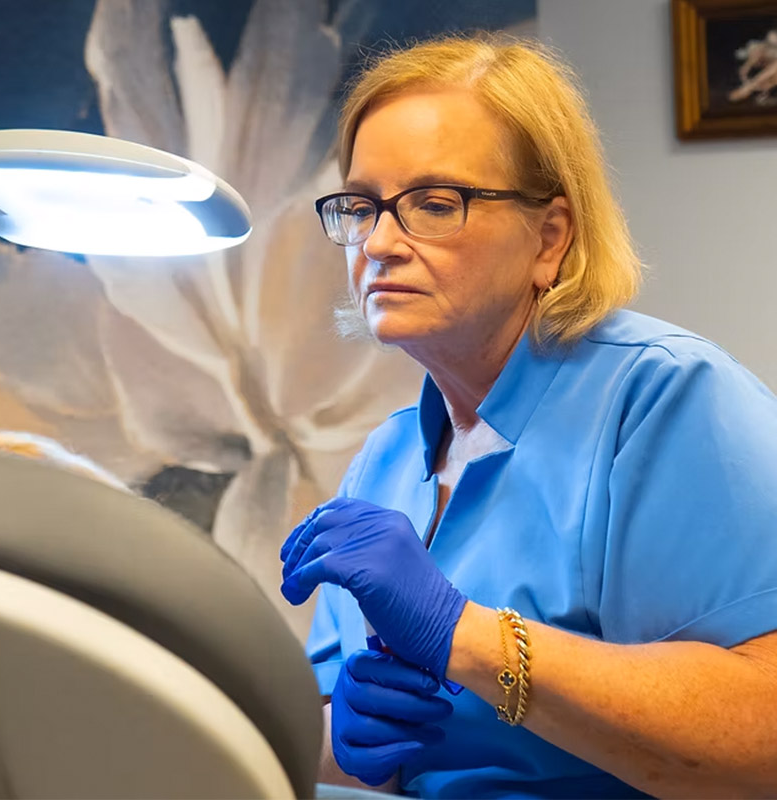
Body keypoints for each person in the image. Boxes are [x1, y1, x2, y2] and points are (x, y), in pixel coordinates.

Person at [279, 34, 777, 799]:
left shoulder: (666, 402)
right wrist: (339, 732)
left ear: (550, 237)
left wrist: (464, 635)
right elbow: (322, 742)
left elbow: (763, 737)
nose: (378, 243)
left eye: (434, 205)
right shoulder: (381, 465)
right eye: (361, 206)